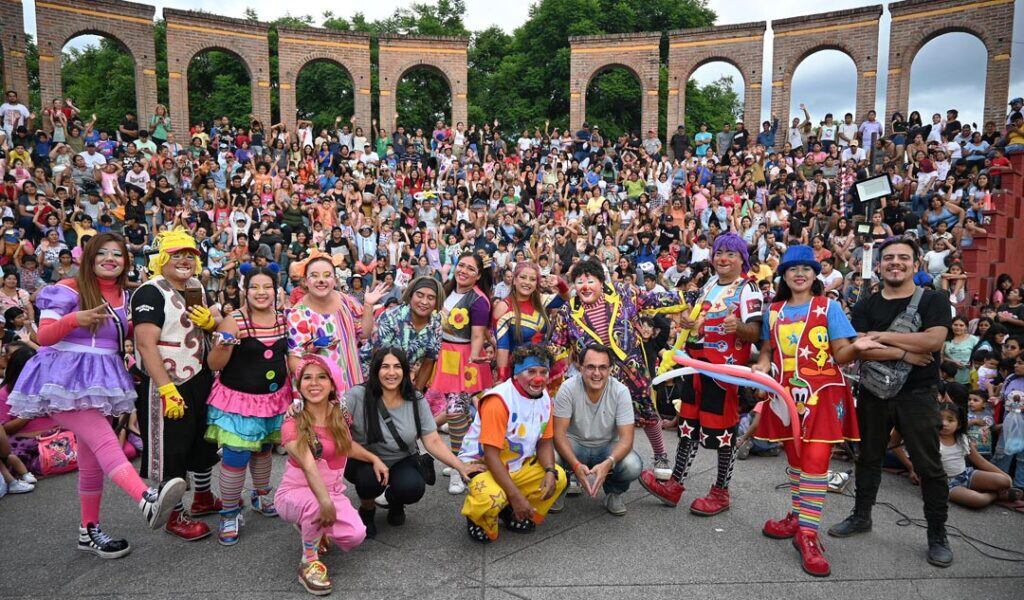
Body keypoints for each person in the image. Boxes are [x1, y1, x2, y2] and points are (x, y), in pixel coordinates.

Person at [7, 233, 186, 557]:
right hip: (65, 379)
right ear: (88, 257)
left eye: (117, 254)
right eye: (102, 253)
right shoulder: (67, 288)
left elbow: (119, 333)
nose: (110, 258)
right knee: (105, 440)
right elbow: (44, 336)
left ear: (125, 262)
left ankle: (88, 530)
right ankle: (147, 499)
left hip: (100, 380)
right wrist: (77, 317)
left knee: (91, 457)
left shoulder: (121, 294)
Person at [751, 245, 881, 577]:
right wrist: (761, 368)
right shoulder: (774, 310)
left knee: (815, 462)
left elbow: (840, 355)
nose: (799, 274)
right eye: (792, 269)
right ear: (783, 275)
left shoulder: (828, 307)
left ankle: (807, 534)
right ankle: (799, 515)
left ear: (815, 274)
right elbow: (767, 352)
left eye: (806, 269)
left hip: (823, 395)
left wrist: (857, 347)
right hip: (784, 397)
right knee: (795, 460)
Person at [828, 237, 954, 568]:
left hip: (918, 395)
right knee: (868, 458)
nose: (895, 263)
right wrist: (903, 352)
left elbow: (933, 340)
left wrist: (882, 337)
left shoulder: (934, 299)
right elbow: (858, 346)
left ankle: (937, 535)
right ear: (879, 264)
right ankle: (861, 516)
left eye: (902, 258)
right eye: (888, 258)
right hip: (873, 393)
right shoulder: (869, 303)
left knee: (928, 466)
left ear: (916, 264)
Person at [640, 232, 763, 515]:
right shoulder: (709, 284)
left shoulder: (748, 288)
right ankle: (674, 484)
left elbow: (756, 331)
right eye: (719, 252)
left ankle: (721, 491)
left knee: (724, 432)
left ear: (742, 259)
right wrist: (687, 321)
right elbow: (696, 320)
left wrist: (739, 327)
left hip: (722, 373)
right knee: (688, 426)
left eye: (731, 254)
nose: (723, 258)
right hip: (696, 367)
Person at [550, 258, 684, 482]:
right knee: (583, 419)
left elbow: (653, 299)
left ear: (601, 282)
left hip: (630, 368)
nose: (584, 286)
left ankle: (660, 455)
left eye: (590, 281)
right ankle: (577, 468)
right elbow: (557, 345)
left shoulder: (623, 293)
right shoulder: (567, 312)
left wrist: (688, 299)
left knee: (647, 410)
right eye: (579, 282)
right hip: (594, 374)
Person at [131, 228, 223, 541]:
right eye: (177, 254)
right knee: (171, 448)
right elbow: (145, 344)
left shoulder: (197, 285)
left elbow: (216, 322)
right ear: (163, 259)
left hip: (199, 376)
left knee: (203, 440)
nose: (184, 259)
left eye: (190, 254)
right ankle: (172, 513)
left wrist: (211, 323)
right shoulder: (149, 291)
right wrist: (165, 389)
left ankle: (202, 496)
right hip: (167, 384)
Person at [344, 347, 483, 538]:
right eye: (385, 367)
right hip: (365, 460)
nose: (391, 373)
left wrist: (460, 466)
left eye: (397, 367)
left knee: (412, 488)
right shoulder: (355, 396)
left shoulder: (415, 398)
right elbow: (338, 434)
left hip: (401, 458)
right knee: (368, 481)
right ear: (375, 370)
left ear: (405, 370)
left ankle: (394, 500)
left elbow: (433, 440)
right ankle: (367, 510)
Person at [204, 265, 291, 545]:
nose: (261, 292)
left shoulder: (283, 319)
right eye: (254, 287)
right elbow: (214, 365)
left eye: (267, 287)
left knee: (264, 449)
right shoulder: (234, 320)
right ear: (245, 290)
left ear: (276, 291)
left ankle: (262, 494)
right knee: (236, 456)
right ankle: (229, 512)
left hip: (274, 400)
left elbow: (290, 356)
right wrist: (223, 346)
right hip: (239, 401)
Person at [275, 354, 370, 596]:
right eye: (307, 377)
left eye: (321, 377)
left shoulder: (339, 416)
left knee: (355, 535)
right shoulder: (292, 421)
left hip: (330, 492)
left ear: (332, 384)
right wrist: (325, 503)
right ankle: (309, 561)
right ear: (299, 385)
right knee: (317, 506)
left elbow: (346, 446)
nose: (314, 383)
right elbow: (308, 464)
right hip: (294, 494)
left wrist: (375, 460)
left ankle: (314, 526)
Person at [457, 345, 566, 542]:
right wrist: (516, 496)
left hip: (516, 464)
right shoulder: (499, 401)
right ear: (516, 374)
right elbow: (490, 456)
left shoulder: (546, 400)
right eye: (531, 371)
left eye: (543, 372)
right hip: (482, 466)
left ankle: (510, 511)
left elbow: (545, 442)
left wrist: (550, 470)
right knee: (492, 498)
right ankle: (478, 519)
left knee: (559, 478)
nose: (538, 378)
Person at [551, 343, 643, 516]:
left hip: (606, 446)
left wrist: (609, 462)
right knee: (551, 456)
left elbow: (626, 439)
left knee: (632, 464)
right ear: (580, 367)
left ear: (610, 370)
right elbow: (559, 434)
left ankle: (614, 492)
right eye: (591, 367)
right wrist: (576, 465)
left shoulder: (620, 391)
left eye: (603, 367)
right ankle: (561, 487)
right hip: (574, 445)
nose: (596, 373)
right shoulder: (568, 388)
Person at [430, 252, 494, 494]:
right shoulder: (446, 290)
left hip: (465, 359)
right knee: (458, 414)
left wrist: (473, 361)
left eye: (470, 268)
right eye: (461, 266)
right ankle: (461, 459)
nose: (464, 271)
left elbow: (478, 334)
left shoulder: (478, 300)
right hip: (446, 354)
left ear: (478, 275)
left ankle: (460, 468)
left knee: (457, 415)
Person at [935, 401, 1018, 509]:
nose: (944, 423)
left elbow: (980, 461)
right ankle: (997, 495)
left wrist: (1007, 478)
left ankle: (989, 489)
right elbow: (924, 466)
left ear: (959, 425)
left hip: (965, 475)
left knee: (1004, 481)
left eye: (950, 420)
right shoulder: (932, 440)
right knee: (978, 500)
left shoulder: (963, 439)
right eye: (940, 419)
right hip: (945, 483)